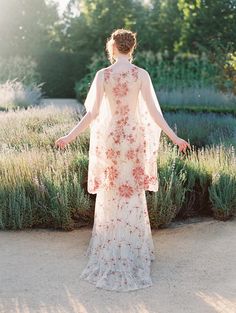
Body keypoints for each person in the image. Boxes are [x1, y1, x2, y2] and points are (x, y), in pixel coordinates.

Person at [55, 28, 191, 292]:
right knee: (131, 194)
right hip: (133, 141)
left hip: (111, 142)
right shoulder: (141, 75)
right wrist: (175, 138)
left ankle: (111, 248)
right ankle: (132, 249)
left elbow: (92, 115)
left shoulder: (102, 76)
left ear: (113, 48)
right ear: (132, 48)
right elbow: (154, 114)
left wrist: (69, 136)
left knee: (112, 193)